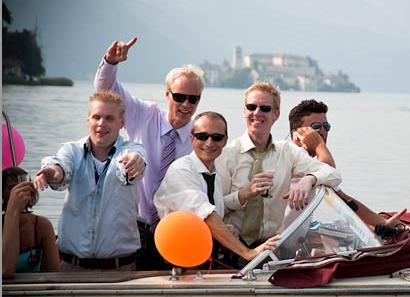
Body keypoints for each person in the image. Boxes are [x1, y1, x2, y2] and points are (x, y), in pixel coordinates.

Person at [94, 36, 205, 270]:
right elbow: (106, 93)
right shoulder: (144, 114)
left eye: (193, 99)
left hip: (176, 232)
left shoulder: (202, 138)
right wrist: (111, 63)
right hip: (134, 228)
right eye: (179, 97)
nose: (186, 104)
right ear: (167, 95)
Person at [215, 82, 342, 266]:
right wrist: (244, 193)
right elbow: (216, 208)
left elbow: (333, 174)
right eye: (251, 107)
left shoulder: (287, 152)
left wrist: (309, 179)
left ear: (276, 115)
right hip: (232, 249)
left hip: (273, 249)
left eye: (265, 108)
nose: (257, 113)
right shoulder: (227, 155)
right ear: (244, 111)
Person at [34, 91, 147, 271]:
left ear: (122, 123)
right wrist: (51, 173)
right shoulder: (71, 150)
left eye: (109, 118)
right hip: (72, 267)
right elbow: (61, 167)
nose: (101, 123)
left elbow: (134, 160)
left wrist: (134, 162)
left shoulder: (132, 150)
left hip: (120, 269)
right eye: (96, 117)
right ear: (88, 121)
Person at [154, 111, 280, 269]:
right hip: (178, 265)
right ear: (192, 139)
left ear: (225, 140)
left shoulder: (214, 175)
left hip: (206, 263)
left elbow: (211, 220)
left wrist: (228, 232)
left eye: (217, 137)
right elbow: (206, 215)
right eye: (202, 136)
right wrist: (247, 252)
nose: (209, 143)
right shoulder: (182, 169)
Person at [288, 99, 405, 230]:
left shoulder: (314, 160)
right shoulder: (292, 154)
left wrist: (383, 223)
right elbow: (328, 171)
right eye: (315, 127)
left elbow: (344, 199)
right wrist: (319, 145)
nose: (322, 132)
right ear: (296, 133)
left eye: (326, 127)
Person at [2, 167, 60, 278]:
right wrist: (12, 212)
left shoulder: (41, 225)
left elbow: (53, 273)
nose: (18, 193)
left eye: (23, 187)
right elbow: (5, 271)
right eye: (11, 188)